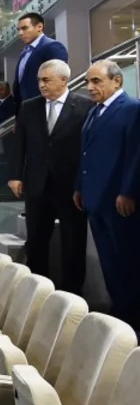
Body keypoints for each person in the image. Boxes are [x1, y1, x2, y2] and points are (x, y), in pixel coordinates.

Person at [7, 59, 93, 294]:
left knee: (73, 244)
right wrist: (15, 175)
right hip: (36, 184)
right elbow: (20, 145)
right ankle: (37, 294)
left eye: (46, 80)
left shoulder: (85, 107)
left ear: (64, 80)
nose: (41, 85)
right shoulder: (28, 107)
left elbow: (89, 149)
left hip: (71, 187)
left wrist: (84, 184)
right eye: (39, 81)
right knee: (35, 242)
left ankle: (73, 296)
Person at [75, 60, 140, 328]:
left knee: (128, 262)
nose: (90, 87)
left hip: (119, 202)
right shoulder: (94, 112)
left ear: (117, 81)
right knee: (108, 263)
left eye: (97, 81)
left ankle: (132, 318)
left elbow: (136, 156)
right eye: (88, 82)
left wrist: (129, 192)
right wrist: (79, 186)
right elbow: (86, 154)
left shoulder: (132, 110)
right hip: (94, 199)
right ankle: (120, 312)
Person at [13, 13, 69, 106]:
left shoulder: (52, 46)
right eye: (19, 30)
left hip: (46, 107)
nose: (20, 33)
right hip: (26, 108)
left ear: (39, 27)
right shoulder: (24, 53)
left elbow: (58, 80)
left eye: (24, 28)